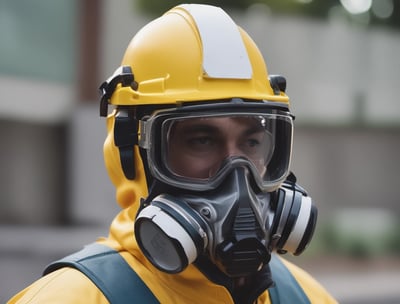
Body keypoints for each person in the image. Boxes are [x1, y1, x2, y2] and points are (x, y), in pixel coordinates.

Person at [8, 4, 337, 304]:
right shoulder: (72, 299)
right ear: (131, 156)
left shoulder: (307, 297)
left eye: (251, 142)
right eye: (202, 141)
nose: (238, 173)